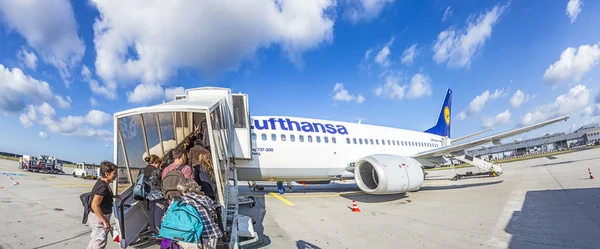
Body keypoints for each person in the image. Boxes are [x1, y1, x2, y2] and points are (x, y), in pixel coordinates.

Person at [173, 179, 223, 249]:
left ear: (184, 190)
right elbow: (215, 208)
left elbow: (166, 218)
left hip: (189, 235)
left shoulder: (179, 201)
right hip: (209, 233)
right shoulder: (205, 198)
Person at [87, 161, 118, 249]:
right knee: (99, 243)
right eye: (114, 173)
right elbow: (95, 205)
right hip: (99, 218)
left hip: (100, 217)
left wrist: (114, 196)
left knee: (95, 240)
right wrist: (104, 221)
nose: (116, 175)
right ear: (106, 173)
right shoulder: (102, 186)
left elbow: (103, 197)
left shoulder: (104, 183)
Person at [142, 155, 168, 237]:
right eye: (158, 163)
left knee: (151, 211)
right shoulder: (157, 170)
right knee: (159, 212)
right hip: (158, 194)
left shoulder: (143, 170)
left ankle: (153, 230)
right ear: (156, 162)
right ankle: (158, 231)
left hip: (148, 193)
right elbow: (161, 182)